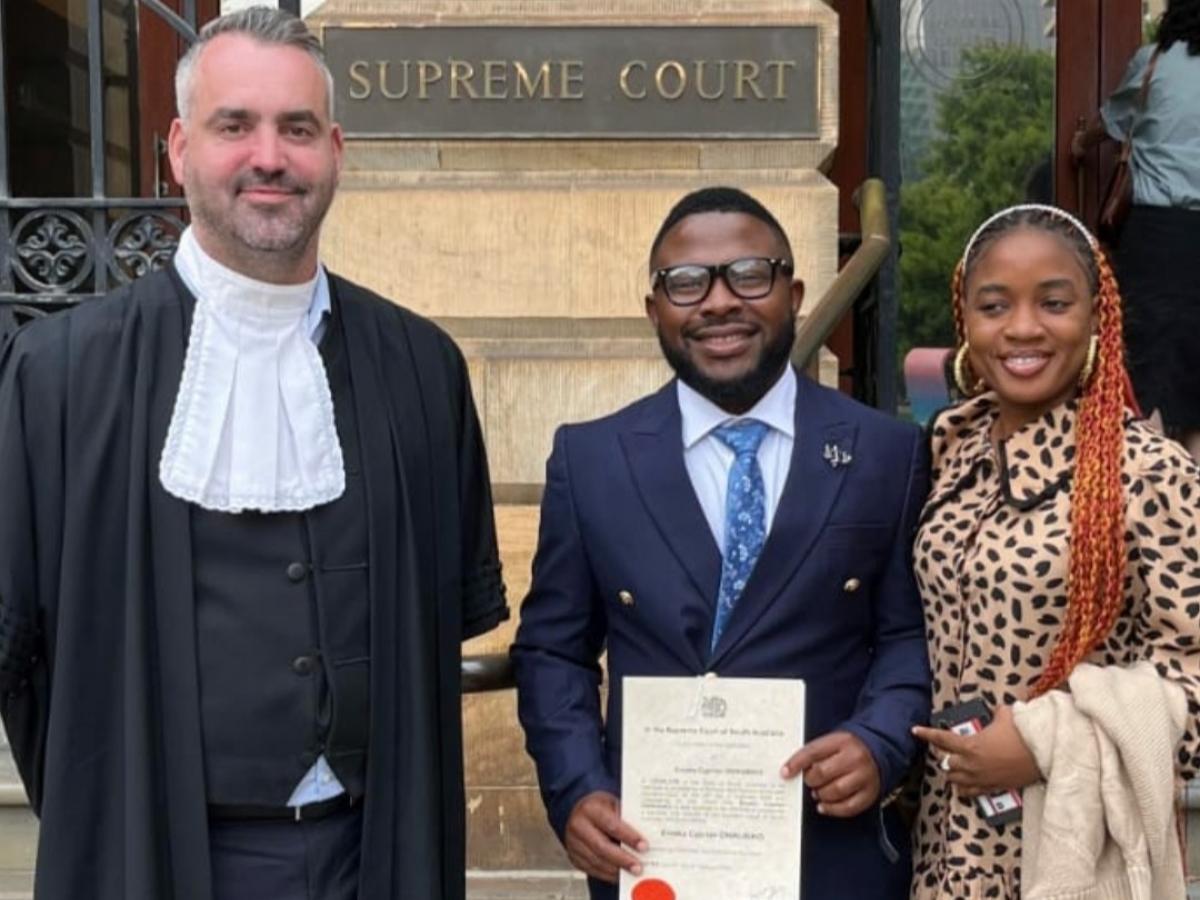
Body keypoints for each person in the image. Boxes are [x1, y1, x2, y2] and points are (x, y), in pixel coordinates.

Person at [0, 8, 507, 900]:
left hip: (374, 858)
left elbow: (439, 630)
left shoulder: (424, 368)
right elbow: (18, 647)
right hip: (150, 859)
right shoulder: (57, 374)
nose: (269, 156)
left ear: (337, 152)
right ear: (178, 150)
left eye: (297, 129)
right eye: (234, 125)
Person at [511, 186, 932, 899]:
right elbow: (554, 649)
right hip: (656, 859)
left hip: (832, 855)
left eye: (748, 274)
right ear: (655, 310)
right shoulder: (591, 460)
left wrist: (881, 741)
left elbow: (910, 634)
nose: (717, 302)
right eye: (685, 283)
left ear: (794, 293)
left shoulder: (888, 453)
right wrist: (576, 789)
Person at [910, 204, 1200, 898]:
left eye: (1054, 302)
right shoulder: (950, 456)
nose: (1022, 328)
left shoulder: (1151, 473)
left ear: (1098, 318)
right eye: (994, 305)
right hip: (938, 851)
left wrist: (1046, 741)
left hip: (1072, 851)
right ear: (965, 322)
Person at [1071, 0, 1200, 461]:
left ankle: (1158, 513)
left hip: (1159, 240)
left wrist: (1080, 142)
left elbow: (1113, 121)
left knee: (1154, 376)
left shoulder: (1155, 64)